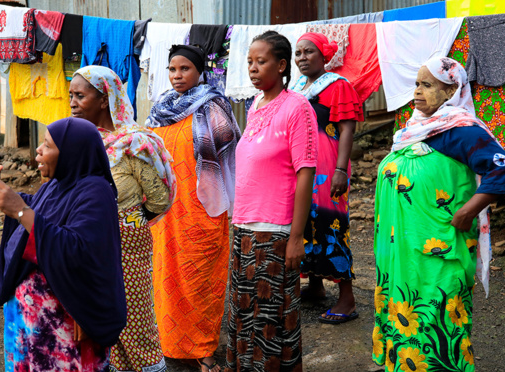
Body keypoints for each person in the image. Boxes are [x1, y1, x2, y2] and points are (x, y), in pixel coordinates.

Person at [372, 57, 505, 372]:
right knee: (406, 313)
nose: (417, 92)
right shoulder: (417, 127)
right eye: (417, 84)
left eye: (427, 85)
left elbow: (503, 168)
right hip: (403, 251)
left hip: (439, 248)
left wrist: (468, 210)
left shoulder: (462, 131)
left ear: (451, 90)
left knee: (437, 316)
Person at [0, 118, 127, 371]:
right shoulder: (57, 185)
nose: (38, 151)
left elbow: (83, 252)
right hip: (31, 321)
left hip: (63, 322)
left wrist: (20, 211)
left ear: (71, 152)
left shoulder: (95, 192)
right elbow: (40, 212)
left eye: (47, 145)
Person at [70, 65, 175, 372]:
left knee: (134, 323)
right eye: (71, 96)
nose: (72, 102)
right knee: (99, 325)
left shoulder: (133, 145)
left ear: (105, 99)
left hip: (127, 249)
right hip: (85, 247)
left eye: (80, 95)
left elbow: (160, 198)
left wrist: (126, 225)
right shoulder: (79, 142)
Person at [225, 31, 318, 371]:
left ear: (281, 65)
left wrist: (296, 236)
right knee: (244, 313)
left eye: (261, 61)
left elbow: (305, 173)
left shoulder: (298, 108)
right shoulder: (256, 105)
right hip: (244, 227)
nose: (252, 68)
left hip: (275, 232)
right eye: (249, 61)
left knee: (271, 321)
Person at [145, 44, 241, 372]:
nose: (177, 76)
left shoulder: (213, 107)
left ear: (199, 72)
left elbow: (231, 159)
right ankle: (171, 343)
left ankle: (203, 348)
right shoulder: (160, 109)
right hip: (165, 212)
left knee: (200, 280)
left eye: (184, 69)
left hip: (201, 211)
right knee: (165, 277)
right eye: (173, 69)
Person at [292, 32, 364, 324]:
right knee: (304, 224)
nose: (302, 58)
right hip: (302, 167)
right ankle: (316, 286)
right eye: (298, 53)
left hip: (326, 167)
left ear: (324, 56)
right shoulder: (297, 87)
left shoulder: (338, 86)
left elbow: (347, 129)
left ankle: (346, 299)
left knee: (330, 226)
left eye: (308, 52)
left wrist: (340, 170)